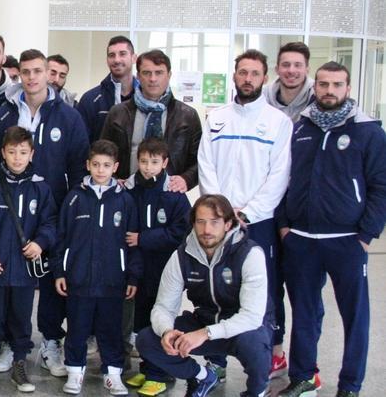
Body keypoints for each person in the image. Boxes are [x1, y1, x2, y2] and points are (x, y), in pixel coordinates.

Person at [277, 62, 386, 397]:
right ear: (315, 86)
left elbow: (381, 186)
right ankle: (303, 377)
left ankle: (351, 385)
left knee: (355, 317)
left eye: (337, 85)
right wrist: (284, 227)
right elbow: (282, 179)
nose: (329, 91)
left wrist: (366, 235)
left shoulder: (368, 132)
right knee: (305, 313)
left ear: (348, 88)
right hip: (302, 240)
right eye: (323, 84)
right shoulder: (299, 127)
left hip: (347, 241)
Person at [0, 49, 90, 376]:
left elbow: (78, 166)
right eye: (25, 72)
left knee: (48, 278)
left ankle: (50, 340)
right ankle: (8, 342)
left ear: (49, 73)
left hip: (53, 211)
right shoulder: (3, 111)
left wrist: (74, 209)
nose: (31, 77)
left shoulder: (68, 116)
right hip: (12, 209)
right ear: (18, 74)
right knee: (10, 278)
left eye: (38, 71)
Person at [198, 49, 292, 378]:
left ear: (264, 78)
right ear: (234, 76)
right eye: (242, 72)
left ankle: (263, 359)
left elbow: (279, 175)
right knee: (218, 289)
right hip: (219, 223)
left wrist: (248, 213)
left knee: (261, 290)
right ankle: (216, 360)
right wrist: (220, 212)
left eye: (254, 73)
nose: (248, 78)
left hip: (258, 223)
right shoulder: (217, 118)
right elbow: (205, 164)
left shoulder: (278, 122)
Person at [135, 194, 273, 397]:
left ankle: (257, 391)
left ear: (228, 224)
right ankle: (202, 376)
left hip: (244, 329)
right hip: (204, 320)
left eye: (214, 222)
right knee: (148, 339)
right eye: (201, 222)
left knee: (253, 341)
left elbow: (251, 317)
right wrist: (166, 331)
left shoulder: (250, 254)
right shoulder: (181, 256)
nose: (207, 230)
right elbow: (163, 306)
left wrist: (205, 333)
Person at [51, 139, 139, 396]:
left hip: (114, 281)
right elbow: (61, 237)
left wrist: (132, 275)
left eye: (107, 165)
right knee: (77, 328)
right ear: (88, 165)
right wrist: (60, 271)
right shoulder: (74, 198)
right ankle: (75, 372)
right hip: (79, 280)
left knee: (111, 329)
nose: (101, 170)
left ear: (116, 167)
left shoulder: (125, 201)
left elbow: (133, 244)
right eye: (96, 164)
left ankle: (113, 374)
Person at [0, 126, 58, 392]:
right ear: (3, 153)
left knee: (22, 318)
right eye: (12, 152)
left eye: (23, 152)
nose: (17, 158)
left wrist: (41, 243)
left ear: (32, 154)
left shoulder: (41, 189)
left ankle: (20, 364)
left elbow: (50, 223)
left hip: (24, 272)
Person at [122, 138, 192, 396]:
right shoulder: (130, 190)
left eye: (154, 162)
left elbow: (180, 233)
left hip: (166, 269)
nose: (148, 167)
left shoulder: (174, 195)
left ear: (164, 163)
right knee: (141, 320)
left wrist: (144, 238)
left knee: (162, 319)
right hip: (140, 268)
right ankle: (147, 367)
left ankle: (160, 373)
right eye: (143, 162)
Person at [101, 49, 201, 193]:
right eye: (147, 73)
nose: (153, 79)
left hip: (168, 196)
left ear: (169, 75)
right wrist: (112, 178)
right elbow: (104, 153)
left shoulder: (187, 116)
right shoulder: (118, 113)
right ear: (138, 76)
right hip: (126, 195)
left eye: (159, 73)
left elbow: (201, 161)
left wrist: (186, 179)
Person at [77, 36, 138, 143]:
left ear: (134, 58)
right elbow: (81, 143)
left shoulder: (145, 98)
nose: (117, 60)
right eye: (111, 55)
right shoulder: (90, 100)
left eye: (122, 54)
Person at [263, 42, 315, 122]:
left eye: (297, 65)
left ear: (307, 70)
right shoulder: (263, 96)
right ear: (277, 70)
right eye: (286, 65)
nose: (291, 70)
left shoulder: (316, 96)